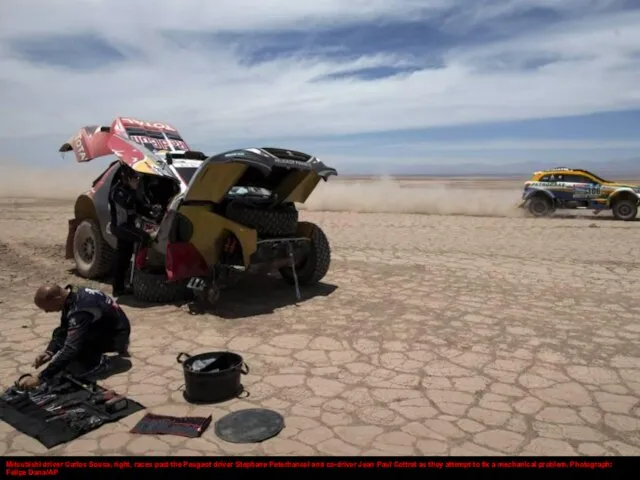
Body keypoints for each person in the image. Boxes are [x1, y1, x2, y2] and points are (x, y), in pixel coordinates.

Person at [18, 284, 131, 390]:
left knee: (75, 360)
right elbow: (63, 329)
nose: (47, 312)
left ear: (56, 299)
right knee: (68, 334)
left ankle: (102, 363)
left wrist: (41, 377)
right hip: (107, 327)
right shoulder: (72, 296)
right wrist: (49, 352)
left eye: (46, 308)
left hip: (115, 336)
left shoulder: (81, 310)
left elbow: (71, 348)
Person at [108, 166, 156, 297]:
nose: (138, 182)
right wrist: (136, 197)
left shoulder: (130, 191)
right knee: (144, 238)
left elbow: (140, 208)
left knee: (124, 258)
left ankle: (121, 286)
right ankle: (140, 268)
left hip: (128, 227)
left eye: (138, 179)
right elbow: (127, 203)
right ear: (127, 178)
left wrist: (153, 211)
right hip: (120, 227)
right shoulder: (118, 192)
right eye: (135, 179)